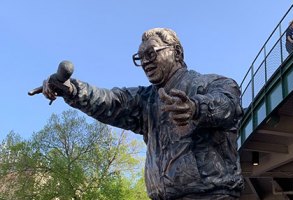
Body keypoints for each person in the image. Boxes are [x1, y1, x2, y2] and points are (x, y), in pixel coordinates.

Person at [40, 28, 244, 199]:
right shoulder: (146, 100)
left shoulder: (215, 83)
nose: (145, 62)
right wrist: (73, 90)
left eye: (151, 54)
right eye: (140, 58)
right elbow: (110, 100)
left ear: (177, 53)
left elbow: (228, 105)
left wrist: (196, 108)